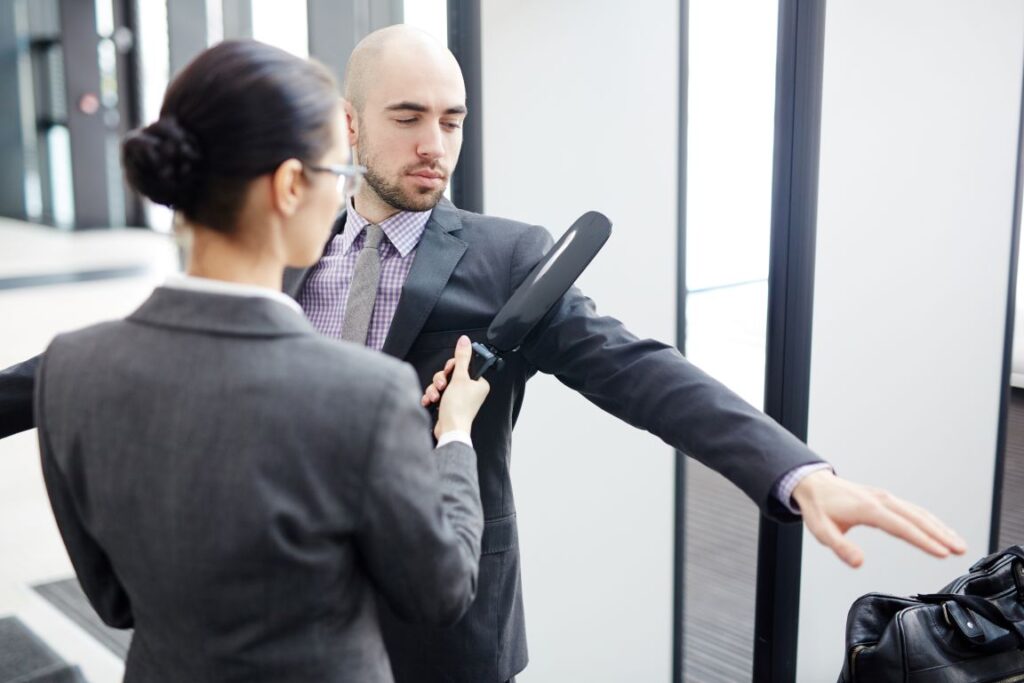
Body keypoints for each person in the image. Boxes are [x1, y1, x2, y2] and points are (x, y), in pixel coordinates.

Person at [1, 26, 965, 683]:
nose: (437, 145)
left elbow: (643, 371)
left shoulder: (509, 257)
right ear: (348, 126)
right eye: (409, 118)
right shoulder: (272, 242)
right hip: (281, 618)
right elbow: (135, 360)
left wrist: (795, 473)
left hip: (443, 624)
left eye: (453, 119)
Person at [33, 40, 490, 682]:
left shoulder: (70, 369)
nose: (342, 198)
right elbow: (440, 593)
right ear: (290, 185)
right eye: (337, 175)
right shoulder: (363, 394)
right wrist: (454, 438)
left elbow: (112, 601)